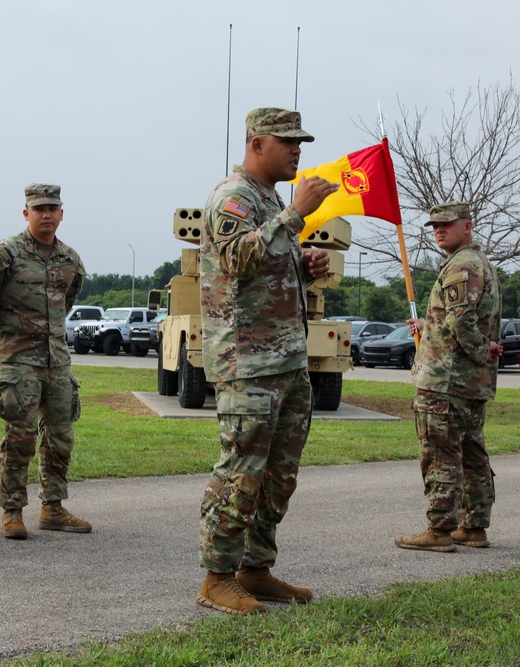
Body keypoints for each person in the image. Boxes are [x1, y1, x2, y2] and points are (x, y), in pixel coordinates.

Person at [196, 108, 339, 615]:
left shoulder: (269, 200)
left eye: (300, 142)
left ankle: (255, 569)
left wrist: (303, 261)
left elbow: (264, 261)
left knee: (279, 474)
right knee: (243, 470)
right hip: (248, 362)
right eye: (287, 142)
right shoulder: (233, 197)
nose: (297, 150)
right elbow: (235, 257)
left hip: (285, 360)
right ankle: (217, 577)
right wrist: (296, 214)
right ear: (257, 144)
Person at [0, 183, 89, 540]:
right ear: (26, 213)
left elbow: (68, 300)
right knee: (19, 437)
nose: (46, 214)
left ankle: (53, 508)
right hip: (18, 359)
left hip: (57, 359)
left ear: (62, 213)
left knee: (60, 435)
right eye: (39, 209)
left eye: (52, 207)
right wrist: (0, 337)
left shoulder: (71, 259)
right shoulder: (6, 253)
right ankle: (12, 511)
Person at [395, 201, 502, 552]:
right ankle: (473, 527)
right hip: (468, 381)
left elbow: (461, 323)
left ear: (467, 227)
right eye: (434, 226)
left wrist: (482, 349)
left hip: (445, 381)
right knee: (471, 453)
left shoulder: (462, 266)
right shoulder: (477, 262)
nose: (439, 230)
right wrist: (430, 327)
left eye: (447, 224)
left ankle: (440, 530)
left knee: (441, 454)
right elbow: (458, 319)